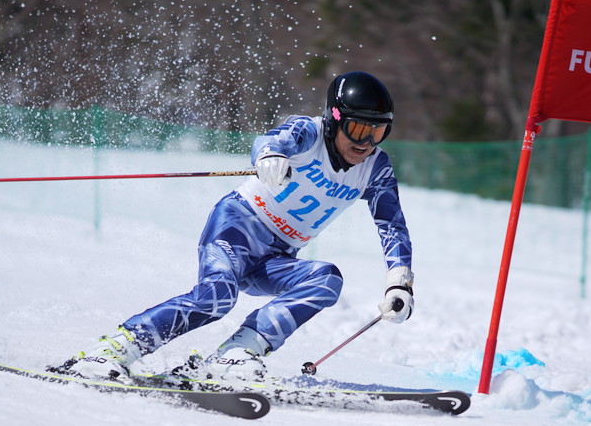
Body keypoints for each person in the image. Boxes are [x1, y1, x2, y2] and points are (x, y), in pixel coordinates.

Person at [50, 71, 414, 383]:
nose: (365, 143)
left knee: (326, 279)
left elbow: (391, 224)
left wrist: (399, 282)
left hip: (276, 255)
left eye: (378, 132)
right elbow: (272, 140)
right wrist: (270, 157)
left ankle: (237, 353)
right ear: (334, 120)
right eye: (357, 129)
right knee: (217, 297)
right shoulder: (310, 133)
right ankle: (112, 350)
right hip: (237, 226)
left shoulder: (375, 168)